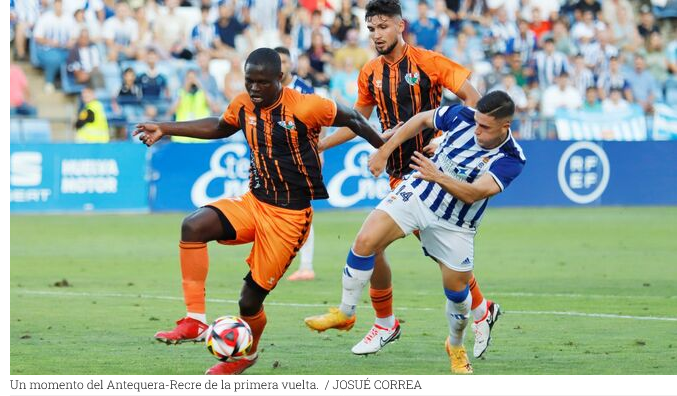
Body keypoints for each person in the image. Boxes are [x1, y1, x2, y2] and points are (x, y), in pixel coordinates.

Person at [134, 48, 384, 375]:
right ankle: (195, 321)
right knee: (193, 226)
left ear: (279, 79)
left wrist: (385, 149)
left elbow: (353, 117)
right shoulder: (243, 104)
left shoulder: (307, 105)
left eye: (261, 82)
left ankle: (245, 356)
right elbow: (221, 127)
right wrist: (167, 128)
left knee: (248, 302)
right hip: (255, 203)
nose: (254, 89)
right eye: (249, 81)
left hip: (290, 219)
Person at [304, 0, 500, 361]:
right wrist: (324, 145)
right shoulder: (370, 72)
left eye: (383, 27)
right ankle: (478, 311)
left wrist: (444, 136)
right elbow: (360, 119)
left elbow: (476, 103)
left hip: (429, 174)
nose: (377, 35)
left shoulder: (430, 62)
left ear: (400, 26)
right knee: (417, 255)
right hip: (399, 175)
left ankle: (383, 322)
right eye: (371, 29)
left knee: (382, 245)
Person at [362, 91, 524, 373]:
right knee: (369, 241)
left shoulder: (512, 158)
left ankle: (457, 342)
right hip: (420, 197)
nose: (477, 129)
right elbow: (422, 119)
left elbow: (474, 194)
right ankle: (379, 322)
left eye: (485, 126)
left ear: (504, 126)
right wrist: (387, 149)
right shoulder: (462, 117)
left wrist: (437, 172)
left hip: (457, 227)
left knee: (457, 295)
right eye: (477, 122)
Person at [275, 46, 317, 281]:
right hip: (275, 159)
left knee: (301, 211)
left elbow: (316, 121)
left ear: (290, 63)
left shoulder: (303, 89)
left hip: (300, 158)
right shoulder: (269, 89)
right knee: (275, 211)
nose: (281, 66)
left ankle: (306, 266)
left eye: (284, 61)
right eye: (277, 62)